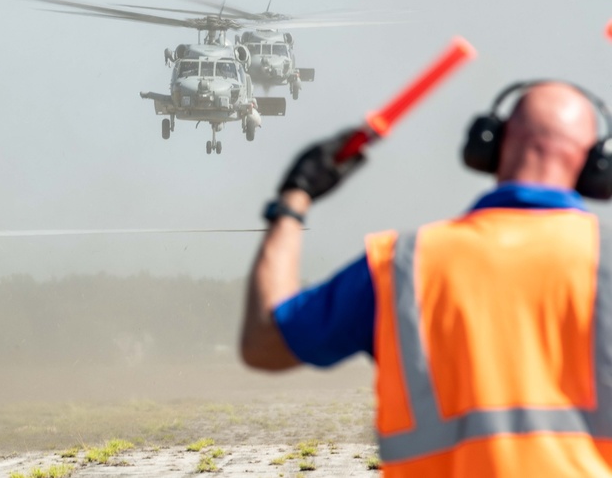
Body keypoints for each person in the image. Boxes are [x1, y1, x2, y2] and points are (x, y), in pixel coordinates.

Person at [240, 81, 612, 476]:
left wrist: (295, 199)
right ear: (596, 167)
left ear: (488, 145)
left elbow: (265, 343)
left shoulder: (403, 263)